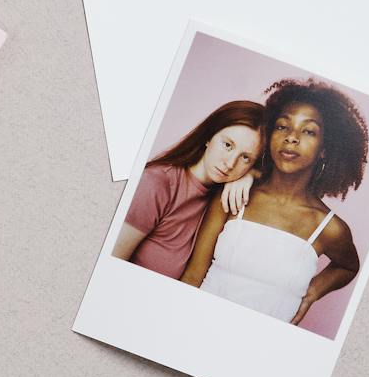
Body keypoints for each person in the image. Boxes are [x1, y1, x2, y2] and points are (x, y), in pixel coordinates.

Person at [181, 79, 368, 328]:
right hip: (197, 325)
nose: (292, 138)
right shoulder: (234, 197)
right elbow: (193, 275)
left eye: (308, 131)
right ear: (269, 137)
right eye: (282, 127)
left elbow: (348, 266)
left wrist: (311, 293)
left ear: (325, 148)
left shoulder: (328, 228)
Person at [112, 100, 263, 277]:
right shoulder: (156, 184)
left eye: (245, 158)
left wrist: (251, 175)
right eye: (227, 145)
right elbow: (110, 266)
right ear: (209, 137)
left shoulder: (224, 198)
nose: (230, 164)